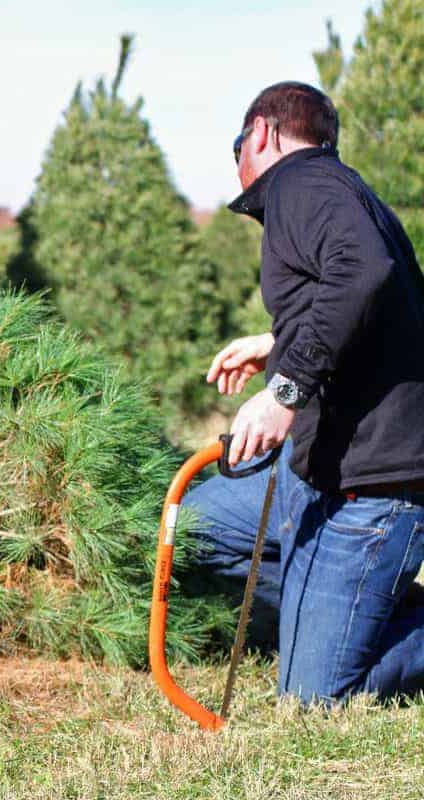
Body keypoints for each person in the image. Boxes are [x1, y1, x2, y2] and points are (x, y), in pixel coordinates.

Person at [186, 81, 424, 703]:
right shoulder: (334, 189)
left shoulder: (301, 181)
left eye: (235, 145)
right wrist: (277, 340)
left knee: (313, 698)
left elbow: (363, 270)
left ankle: (355, 608)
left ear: (261, 133)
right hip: (306, 473)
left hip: (367, 492)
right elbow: (380, 304)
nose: (236, 159)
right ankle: (340, 604)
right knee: (186, 530)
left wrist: (282, 391)